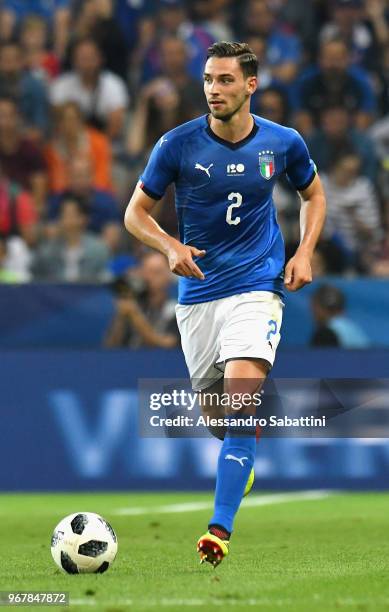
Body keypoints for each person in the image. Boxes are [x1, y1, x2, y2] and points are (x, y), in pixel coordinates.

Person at [124, 42, 326, 566]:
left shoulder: (283, 143)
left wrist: (304, 252)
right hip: (197, 298)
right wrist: (169, 246)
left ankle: (219, 529)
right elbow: (134, 215)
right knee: (226, 420)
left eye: (226, 81)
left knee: (239, 408)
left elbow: (314, 196)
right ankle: (245, 452)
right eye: (209, 80)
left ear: (251, 85)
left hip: (258, 289)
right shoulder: (176, 145)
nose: (214, 89)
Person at [104, 251, 179, 349]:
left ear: (168, 277)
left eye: (156, 273)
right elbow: (110, 347)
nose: (148, 277)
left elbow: (167, 346)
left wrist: (134, 315)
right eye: (145, 272)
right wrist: (121, 318)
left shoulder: (176, 310)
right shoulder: (134, 303)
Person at [32, 196, 109, 282]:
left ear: (83, 218)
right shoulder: (47, 251)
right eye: (64, 215)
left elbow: (106, 280)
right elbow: (36, 279)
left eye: (71, 215)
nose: (67, 220)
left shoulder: (98, 250)